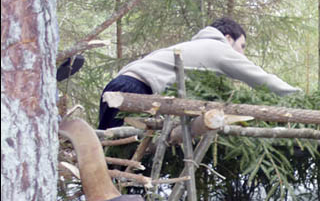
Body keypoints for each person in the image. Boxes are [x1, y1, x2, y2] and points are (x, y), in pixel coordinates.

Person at [98, 17, 301, 130]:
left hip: (119, 86)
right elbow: (260, 79)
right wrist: (298, 96)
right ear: (229, 38)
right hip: (133, 90)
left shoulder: (194, 47)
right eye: (242, 46)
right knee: (119, 153)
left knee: (109, 155)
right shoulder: (218, 49)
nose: (242, 53)